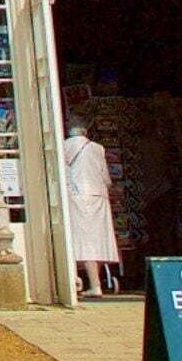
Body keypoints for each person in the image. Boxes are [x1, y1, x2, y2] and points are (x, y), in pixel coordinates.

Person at [61, 120, 120, 298]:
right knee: (97, 240)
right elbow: (106, 179)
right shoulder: (98, 148)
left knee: (82, 240)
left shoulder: (64, 146)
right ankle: (96, 283)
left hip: (77, 195)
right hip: (98, 196)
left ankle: (85, 282)